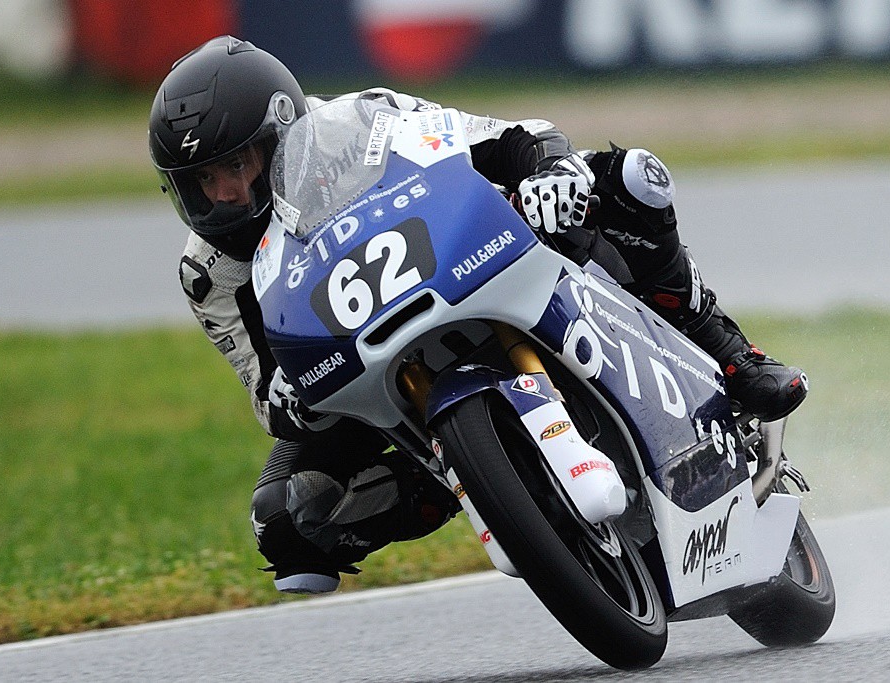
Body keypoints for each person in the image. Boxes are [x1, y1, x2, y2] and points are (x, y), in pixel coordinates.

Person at [149, 36, 807, 595]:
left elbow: (501, 138)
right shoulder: (207, 271)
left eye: (235, 164)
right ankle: (488, 486)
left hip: (471, 257)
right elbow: (265, 391)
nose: (223, 194)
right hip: (357, 360)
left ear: (280, 132)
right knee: (285, 519)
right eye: (201, 182)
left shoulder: (361, 122)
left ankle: (730, 352)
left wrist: (547, 170)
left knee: (627, 180)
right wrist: (289, 398)